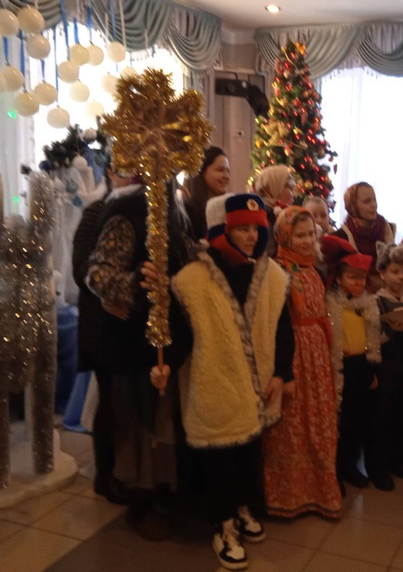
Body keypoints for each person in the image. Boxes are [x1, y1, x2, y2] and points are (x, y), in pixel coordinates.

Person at [163, 193, 294, 571]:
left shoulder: (271, 276)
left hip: (257, 384)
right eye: (242, 229)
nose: (251, 236)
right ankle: (222, 525)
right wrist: (166, 363)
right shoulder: (193, 280)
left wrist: (281, 372)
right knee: (220, 459)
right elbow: (180, 335)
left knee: (248, 454)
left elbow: (282, 329)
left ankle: (241, 507)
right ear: (223, 230)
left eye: (256, 228)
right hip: (216, 381)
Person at [87, 177, 194, 541]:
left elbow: (187, 258)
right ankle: (140, 502)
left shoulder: (175, 213)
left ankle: (163, 490)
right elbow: (98, 273)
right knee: (138, 425)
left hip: (169, 340)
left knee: (164, 420)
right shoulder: (125, 215)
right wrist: (134, 282)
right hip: (133, 341)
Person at [262, 206, 342, 519]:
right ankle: (289, 495)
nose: (308, 240)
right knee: (292, 423)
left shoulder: (315, 270)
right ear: (284, 236)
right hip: (293, 353)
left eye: (311, 234)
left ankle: (320, 490)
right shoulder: (277, 271)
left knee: (318, 419)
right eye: (300, 235)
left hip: (317, 354)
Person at [71, 162, 129, 505]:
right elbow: (81, 268)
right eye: (124, 170)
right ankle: (105, 476)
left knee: (122, 402)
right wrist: (112, 289)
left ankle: (123, 470)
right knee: (109, 400)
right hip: (101, 322)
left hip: (125, 322)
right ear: (110, 173)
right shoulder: (96, 212)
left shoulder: (135, 208)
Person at [323, 235, 382, 491]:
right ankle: (336, 469)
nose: (358, 282)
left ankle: (350, 465)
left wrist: (373, 370)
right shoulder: (331, 303)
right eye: (352, 277)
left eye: (362, 277)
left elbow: (373, 338)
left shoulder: (368, 304)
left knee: (358, 419)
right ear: (339, 279)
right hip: (340, 367)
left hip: (362, 366)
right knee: (341, 420)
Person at [371, 243, 403, 491]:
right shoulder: (377, 301)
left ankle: (400, 459)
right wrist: (391, 331)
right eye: (395, 271)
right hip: (386, 366)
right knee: (383, 415)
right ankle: (379, 466)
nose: (401, 277)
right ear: (382, 273)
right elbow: (374, 334)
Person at [333, 182, 395, 289]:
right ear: (353, 206)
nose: (373, 205)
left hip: (388, 288)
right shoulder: (342, 235)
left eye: (374, 199)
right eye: (367, 201)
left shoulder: (386, 228)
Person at [182, 146, 231, 239]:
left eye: (228, 171)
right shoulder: (189, 212)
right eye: (220, 170)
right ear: (202, 172)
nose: (227, 176)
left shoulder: (227, 211)